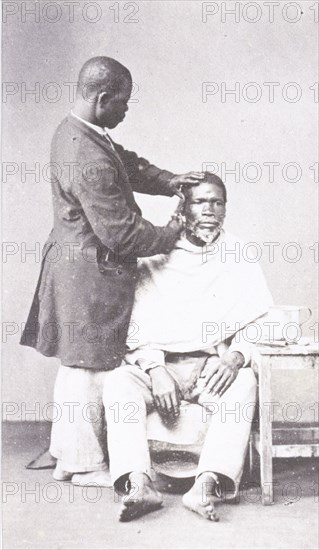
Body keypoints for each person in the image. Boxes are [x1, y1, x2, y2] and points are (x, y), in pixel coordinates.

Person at [20, 56, 203, 483]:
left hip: (75, 264)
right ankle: (84, 467)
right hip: (90, 273)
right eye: (123, 102)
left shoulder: (78, 132)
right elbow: (122, 234)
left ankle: (67, 455)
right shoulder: (87, 154)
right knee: (91, 366)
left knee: (76, 364)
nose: (126, 109)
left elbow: (126, 164)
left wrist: (170, 180)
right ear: (103, 98)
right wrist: (173, 229)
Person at [103, 172, 273, 521]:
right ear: (183, 208)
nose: (209, 210)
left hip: (210, 370)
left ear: (225, 208)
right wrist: (155, 368)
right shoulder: (156, 255)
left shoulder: (238, 253)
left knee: (245, 382)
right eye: (200, 201)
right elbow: (135, 322)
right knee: (119, 382)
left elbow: (259, 318)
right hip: (161, 369)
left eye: (217, 202)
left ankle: (205, 485)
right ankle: (140, 484)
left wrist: (235, 356)